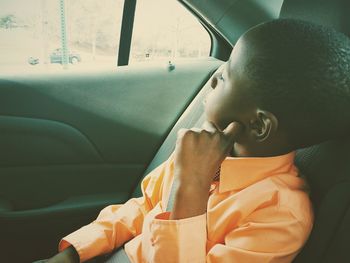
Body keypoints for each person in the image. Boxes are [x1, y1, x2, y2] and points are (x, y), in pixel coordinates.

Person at [44, 18, 350, 263]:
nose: (215, 76)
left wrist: (190, 186)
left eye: (227, 75)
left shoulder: (280, 217)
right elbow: (143, 207)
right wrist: (75, 252)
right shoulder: (204, 150)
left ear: (258, 125)